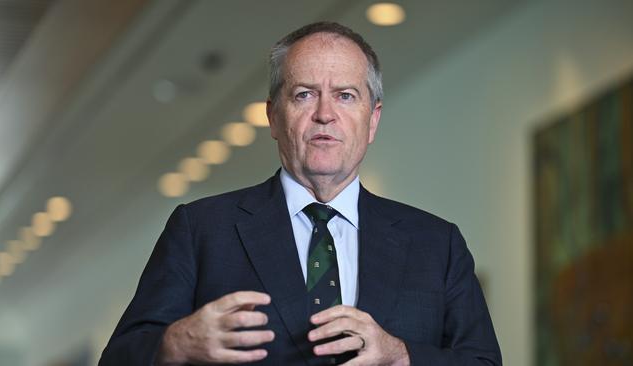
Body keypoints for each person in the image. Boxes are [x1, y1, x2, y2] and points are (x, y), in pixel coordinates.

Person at [99, 22, 501, 366]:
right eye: (304, 94)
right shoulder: (201, 230)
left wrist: (401, 355)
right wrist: (178, 342)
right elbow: (118, 357)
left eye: (345, 95)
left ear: (373, 119)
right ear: (273, 116)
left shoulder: (437, 244)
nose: (325, 113)